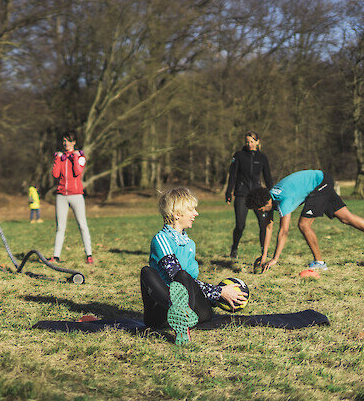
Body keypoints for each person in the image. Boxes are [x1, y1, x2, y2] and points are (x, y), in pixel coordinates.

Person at [141, 188, 248, 344]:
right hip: (161, 314)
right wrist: (219, 292)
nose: (196, 214)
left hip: (196, 312)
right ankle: (176, 310)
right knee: (148, 272)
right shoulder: (161, 240)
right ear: (177, 214)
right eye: (191, 210)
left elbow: (190, 283)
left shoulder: (190, 244)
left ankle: (182, 316)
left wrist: (219, 295)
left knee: (184, 277)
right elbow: (175, 274)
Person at [245, 169, 364, 272]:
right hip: (322, 180)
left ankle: (319, 263)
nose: (261, 212)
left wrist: (275, 259)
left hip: (319, 183)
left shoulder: (284, 200)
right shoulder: (270, 197)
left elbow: (284, 231)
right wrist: (264, 256)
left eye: (260, 209)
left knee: (303, 225)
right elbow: (268, 227)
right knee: (346, 218)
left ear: (267, 203)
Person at [225, 131, 273, 259]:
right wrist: (229, 192)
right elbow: (233, 175)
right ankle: (234, 248)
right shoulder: (239, 155)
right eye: (247, 142)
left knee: (263, 223)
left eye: (252, 142)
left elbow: (268, 177)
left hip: (258, 194)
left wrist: (272, 194)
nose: (249, 144)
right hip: (242, 193)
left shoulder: (262, 158)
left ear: (257, 142)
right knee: (240, 225)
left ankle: (264, 251)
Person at [50, 130, 93, 264]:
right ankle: (56, 256)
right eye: (64, 141)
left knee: (82, 225)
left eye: (68, 141)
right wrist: (58, 159)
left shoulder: (80, 157)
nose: (66, 143)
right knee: (60, 227)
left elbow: (77, 171)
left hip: (76, 195)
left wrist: (74, 156)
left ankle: (89, 255)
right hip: (61, 195)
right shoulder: (60, 157)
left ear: (74, 142)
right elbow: (55, 174)